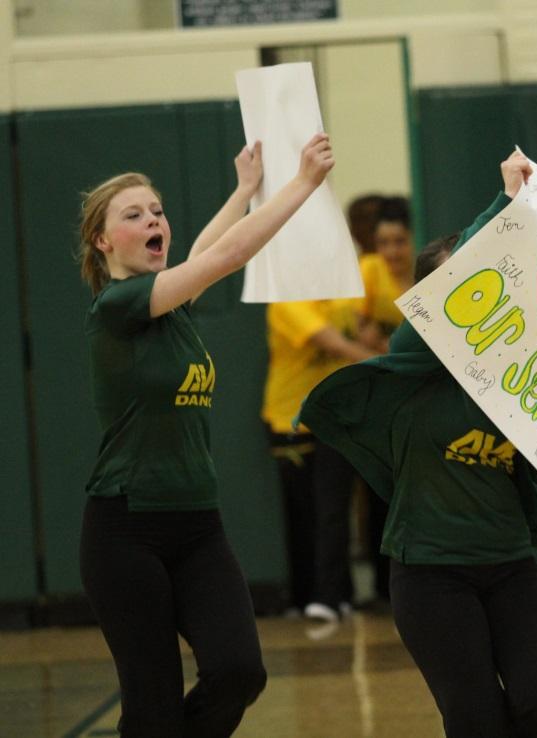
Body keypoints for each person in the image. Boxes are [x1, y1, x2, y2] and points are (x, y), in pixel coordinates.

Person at [300, 151, 537, 737]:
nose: (487, 291)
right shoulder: (413, 359)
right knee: (474, 718)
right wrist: (506, 203)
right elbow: (459, 281)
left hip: (509, 567)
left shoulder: (522, 374)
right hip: (430, 574)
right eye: (472, 280)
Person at [77, 133, 335, 737]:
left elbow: (202, 251)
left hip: (197, 527)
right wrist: (300, 185)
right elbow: (221, 258)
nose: (152, 220)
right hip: (125, 530)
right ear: (102, 240)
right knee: (153, 705)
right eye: (134, 215)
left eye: (158, 210)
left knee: (240, 670)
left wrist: (245, 188)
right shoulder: (117, 306)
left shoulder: (174, 303)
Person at [262, 292, 375, 619]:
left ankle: (333, 595)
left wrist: (371, 336)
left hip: (335, 417)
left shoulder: (347, 299)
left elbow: (360, 330)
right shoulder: (286, 303)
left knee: (333, 508)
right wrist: (381, 361)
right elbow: (333, 344)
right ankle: (303, 596)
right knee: (303, 512)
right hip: (289, 418)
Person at [354, 195, 415, 601]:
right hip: (378, 398)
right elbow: (361, 333)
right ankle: (378, 584)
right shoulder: (368, 274)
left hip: (413, 399)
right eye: (385, 243)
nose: (392, 251)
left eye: (399, 242)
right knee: (376, 491)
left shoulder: (424, 276)